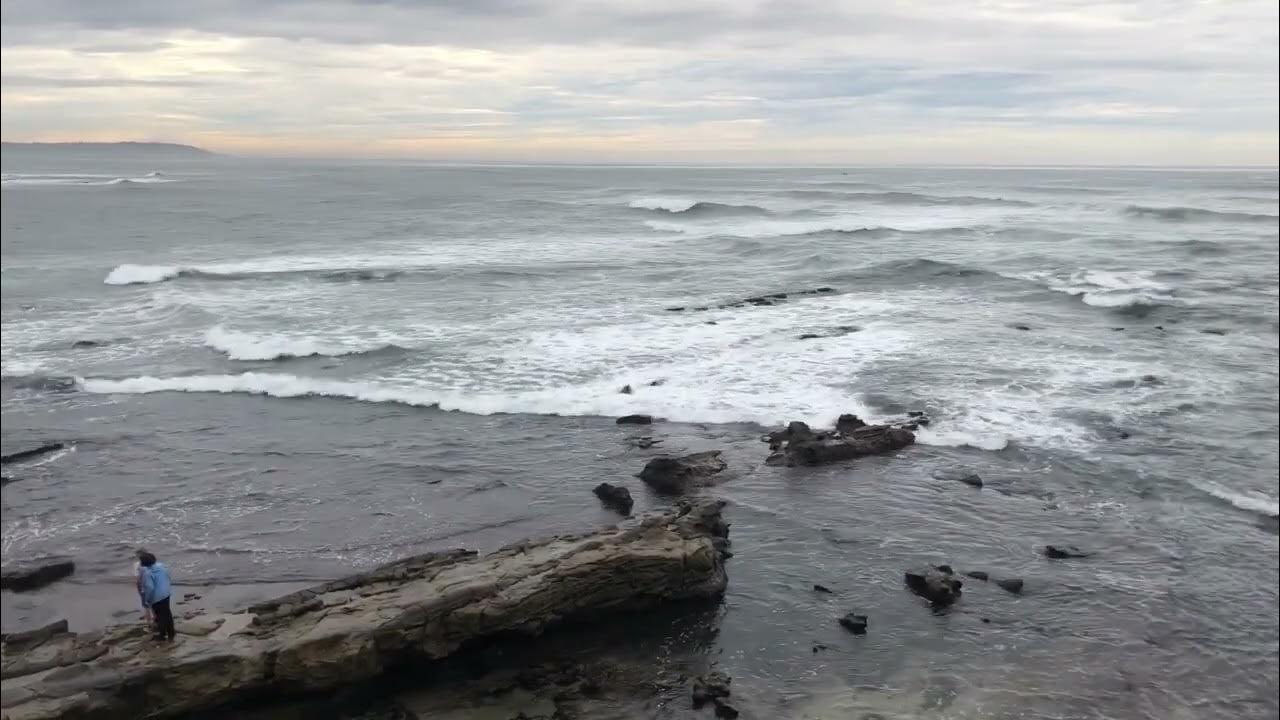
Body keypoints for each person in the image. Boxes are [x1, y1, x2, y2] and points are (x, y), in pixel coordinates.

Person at [138, 552, 175, 641]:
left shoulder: (148, 573)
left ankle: (162, 635)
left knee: (160, 616)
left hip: (156, 597)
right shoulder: (162, 566)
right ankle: (171, 632)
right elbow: (168, 576)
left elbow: (149, 588)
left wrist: (147, 599)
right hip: (166, 593)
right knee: (167, 613)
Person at [134, 549, 153, 627]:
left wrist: (140, 588)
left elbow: (137, 578)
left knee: (146, 605)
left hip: (143, 586)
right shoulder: (152, 563)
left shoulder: (137, 565)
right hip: (150, 585)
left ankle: (149, 622)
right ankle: (155, 619)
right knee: (153, 603)